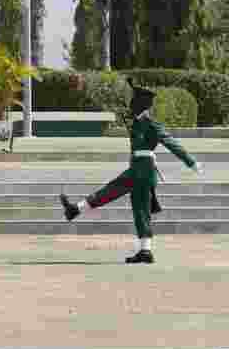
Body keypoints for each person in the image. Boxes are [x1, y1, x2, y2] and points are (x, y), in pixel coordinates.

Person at [59, 80, 203, 264]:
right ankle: (145, 251)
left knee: (113, 191)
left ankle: (76, 210)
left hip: (142, 171)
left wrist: (191, 163)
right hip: (139, 169)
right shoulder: (136, 123)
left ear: (141, 104)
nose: (131, 105)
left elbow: (171, 143)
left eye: (134, 101)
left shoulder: (151, 124)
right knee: (140, 211)